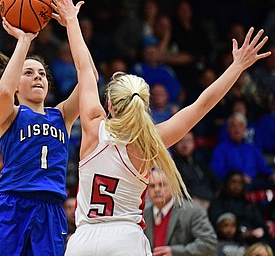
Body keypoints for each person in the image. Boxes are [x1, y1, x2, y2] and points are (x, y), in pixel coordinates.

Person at [54, 0, 272, 255]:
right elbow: (202, 105)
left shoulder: (92, 124)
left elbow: (85, 71)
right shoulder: (149, 141)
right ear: (145, 104)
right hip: (125, 238)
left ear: (109, 103)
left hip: (84, 239)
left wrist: (71, 20)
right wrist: (236, 67)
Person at [0, 11, 98, 256]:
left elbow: (90, 78)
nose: (37, 77)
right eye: (29, 73)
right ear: (15, 83)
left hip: (51, 209)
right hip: (13, 204)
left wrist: (72, 24)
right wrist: (24, 41)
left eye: (42, 74)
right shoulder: (8, 114)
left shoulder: (61, 115)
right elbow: (3, 93)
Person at [144, 169, 218, 256]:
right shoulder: (143, 215)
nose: (157, 190)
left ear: (173, 186)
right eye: (152, 186)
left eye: (162, 185)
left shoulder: (193, 211)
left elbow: (209, 243)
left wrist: (175, 252)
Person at [172, 130, 221, 210]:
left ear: (194, 143)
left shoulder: (201, 162)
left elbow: (215, 182)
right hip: (188, 204)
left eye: (188, 141)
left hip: (210, 201)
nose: (185, 145)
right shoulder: (173, 165)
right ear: (174, 143)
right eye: (181, 141)